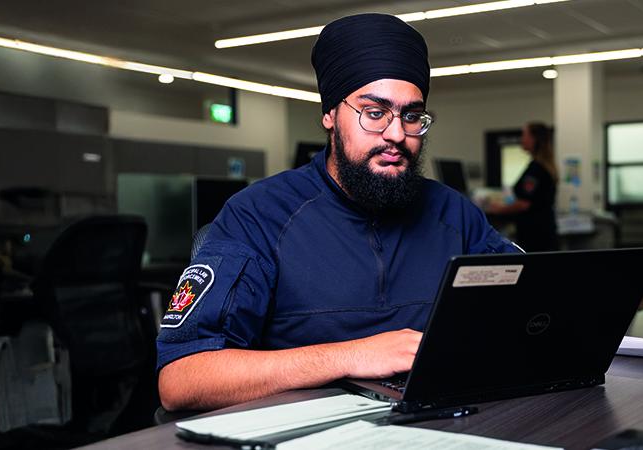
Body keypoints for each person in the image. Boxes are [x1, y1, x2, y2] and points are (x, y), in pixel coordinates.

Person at [155, 13, 520, 411]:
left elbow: (530, 312)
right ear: (330, 114)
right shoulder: (258, 216)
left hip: (446, 422)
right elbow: (182, 379)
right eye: (374, 112)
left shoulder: (453, 213)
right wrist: (353, 356)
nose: (396, 134)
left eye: (411, 116)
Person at [485, 122, 559, 252]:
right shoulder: (543, 166)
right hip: (542, 230)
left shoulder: (536, 169)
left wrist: (499, 209)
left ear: (534, 139)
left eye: (524, 135)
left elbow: (524, 203)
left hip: (536, 234)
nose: (522, 139)